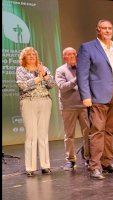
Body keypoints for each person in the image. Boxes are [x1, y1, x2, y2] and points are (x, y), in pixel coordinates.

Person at [77, 19, 113, 180]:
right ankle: (94, 166)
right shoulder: (88, 47)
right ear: (98, 30)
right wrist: (85, 96)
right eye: (104, 28)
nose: (107, 31)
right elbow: (82, 74)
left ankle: (107, 162)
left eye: (110, 28)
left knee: (110, 130)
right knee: (97, 130)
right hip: (97, 95)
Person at [16, 47, 56, 177]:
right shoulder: (20, 69)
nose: (32, 56)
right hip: (29, 101)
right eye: (28, 54)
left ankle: (45, 165)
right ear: (24, 58)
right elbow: (23, 86)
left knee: (43, 134)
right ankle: (30, 167)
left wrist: (43, 74)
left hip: (45, 101)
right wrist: (37, 79)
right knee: (31, 135)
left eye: (34, 54)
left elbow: (51, 84)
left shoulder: (44, 68)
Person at [55, 47, 90, 171]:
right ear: (64, 57)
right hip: (68, 107)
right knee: (69, 135)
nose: (72, 56)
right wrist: (76, 79)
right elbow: (62, 87)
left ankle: (88, 158)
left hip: (84, 106)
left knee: (88, 133)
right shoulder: (60, 70)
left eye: (74, 54)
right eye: (69, 55)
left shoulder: (83, 68)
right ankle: (70, 160)